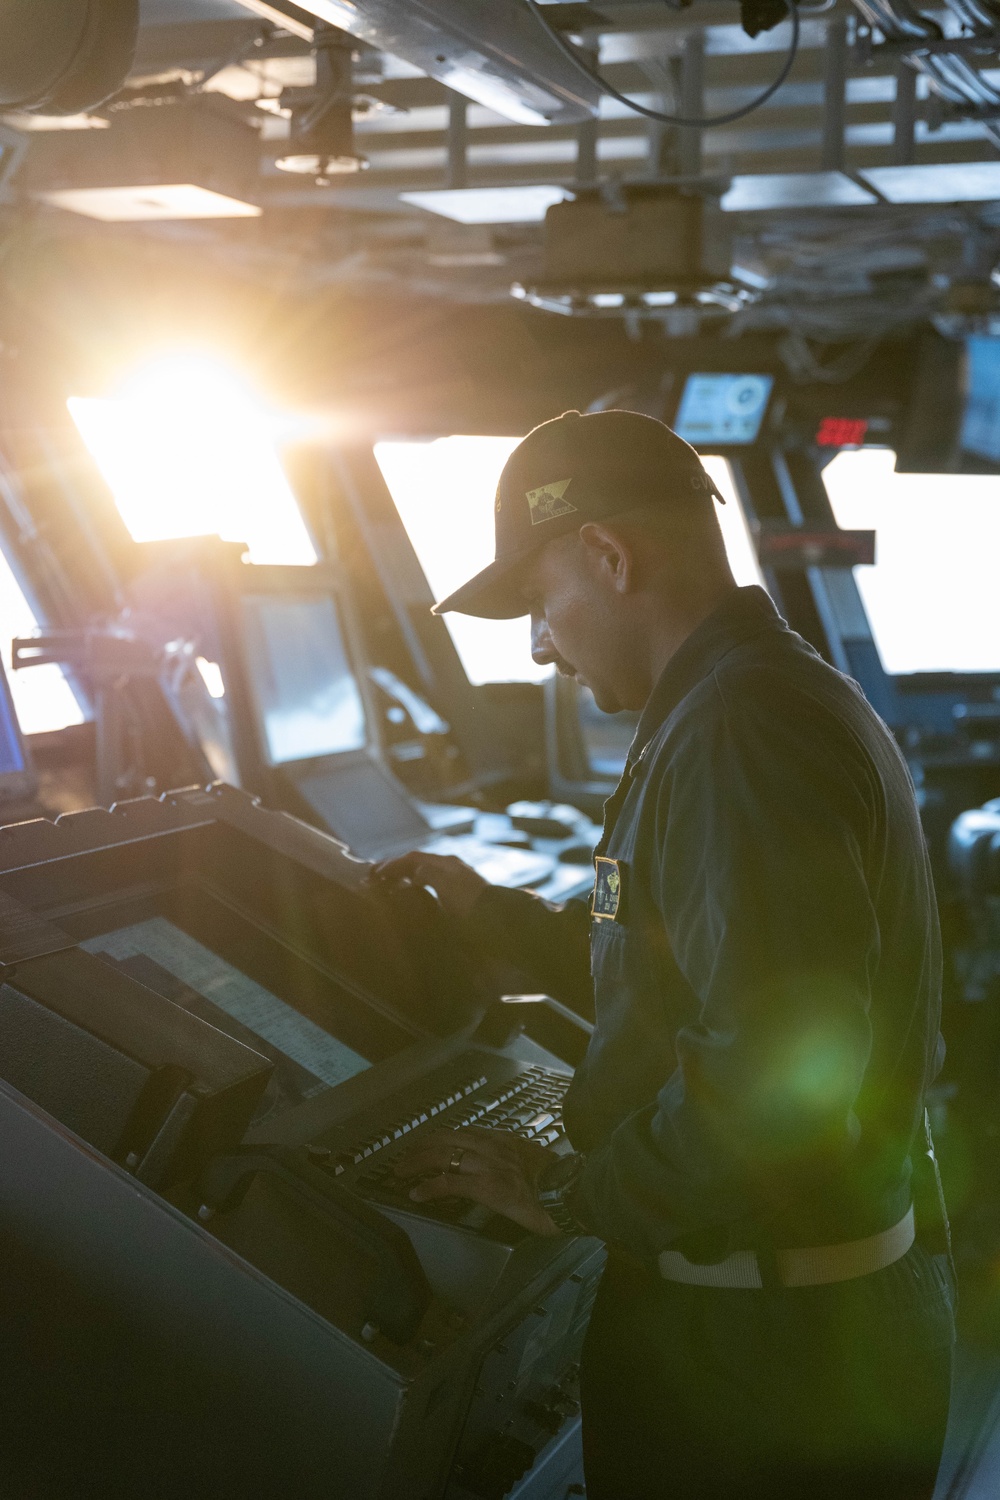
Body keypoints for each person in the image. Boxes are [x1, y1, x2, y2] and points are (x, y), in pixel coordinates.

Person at [373, 409, 955, 1499]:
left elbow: (776, 1070)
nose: (542, 645)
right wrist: (493, 921)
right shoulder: (749, 699)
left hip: (762, 1364)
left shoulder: (738, 729)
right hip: (796, 1330)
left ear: (608, 553)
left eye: (541, 604)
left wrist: (574, 1190)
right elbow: (680, 951)